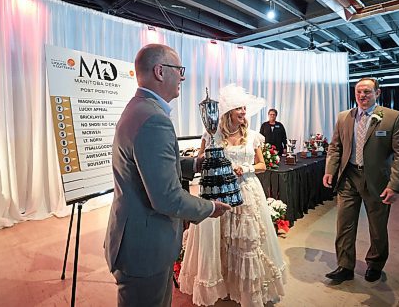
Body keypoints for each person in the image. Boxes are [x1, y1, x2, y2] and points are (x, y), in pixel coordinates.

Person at [104, 44, 231, 307]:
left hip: (136, 239)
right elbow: (167, 198)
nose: (183, 77)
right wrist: (209, 207)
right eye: (179, 70)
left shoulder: (140, 109)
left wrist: (194, 164)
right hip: (145, 248)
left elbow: (145, 166)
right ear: (160, 71)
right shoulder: (153, 119)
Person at [179, 84, 286, 307]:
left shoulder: (253, 136)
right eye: (240, 109)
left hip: (247, 192)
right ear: (229, 113)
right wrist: (218, 167)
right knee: (219, 239)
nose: (244, 113)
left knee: (244, 242)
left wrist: (244, 169)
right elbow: (201, 163)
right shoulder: (211, 135)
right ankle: (224, 284)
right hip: (219, 192)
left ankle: (244, 288)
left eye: (245, 109)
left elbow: (262, 165)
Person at [323, 77, 399, 283]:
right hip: (348, 177)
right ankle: (344, 266)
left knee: (377, 227)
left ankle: (375, 263)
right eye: (359, 91)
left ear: (377, 93)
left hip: (378, 181)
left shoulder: (392, 117)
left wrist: (395, 185)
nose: (362, 95)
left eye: (367, 92)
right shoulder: (344, 117)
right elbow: (336, 146)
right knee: (344, 224)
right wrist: (330, 170)